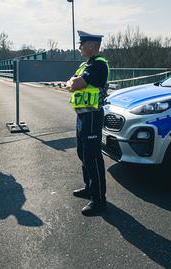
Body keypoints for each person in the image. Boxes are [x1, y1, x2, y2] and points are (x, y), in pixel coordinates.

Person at [67, 31, 109, 216]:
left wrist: (74, 82)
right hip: (82, 116)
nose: (79, 47)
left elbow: (76, 83)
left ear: (92, 46)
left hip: (92, 116)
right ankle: (89, 187)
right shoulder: (86, 65)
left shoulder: (99, 64)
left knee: (92, 156)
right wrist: (74, 82)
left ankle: (98, 199)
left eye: (82, 44)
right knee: (82, 153)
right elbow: (70, 82)